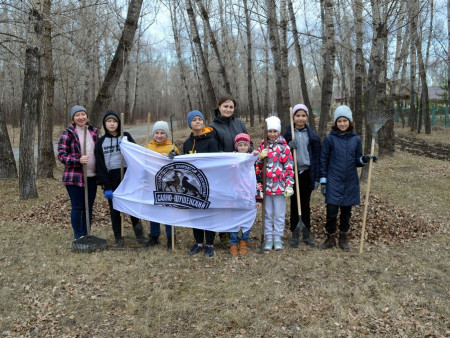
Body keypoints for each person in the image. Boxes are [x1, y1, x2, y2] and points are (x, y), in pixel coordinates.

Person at [319, 105, 377, 251]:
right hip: (333, 180)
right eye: (339, 121)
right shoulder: (329, 139)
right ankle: (330, 237)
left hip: (350, 181)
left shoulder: (356, 140)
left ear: (349, 121)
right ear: (335, 123)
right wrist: (324, 181)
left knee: (346, 213)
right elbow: (323, 161)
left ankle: (343, 238)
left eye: (345, 120)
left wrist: (365, 158)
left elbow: (357, 161)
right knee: (331, 211)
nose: (342, 123)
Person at [94, 110, 147, 247]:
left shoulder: (125, 136)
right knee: (115, 210)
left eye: (115, 121)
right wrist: (107, 186)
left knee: (132, 207)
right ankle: (118, 237)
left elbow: (135, 155)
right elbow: (100, 166)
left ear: (119, 123)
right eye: (109, 121)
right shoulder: (100, 142)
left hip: (128, 178)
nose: (112, 124)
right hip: (112, 180)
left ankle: (140, 235)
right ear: (105, 124)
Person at [211, 94, 250, 247]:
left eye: (231, 107)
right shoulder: (213, 126)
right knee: (225, 202)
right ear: (219, 107)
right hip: (224, 171)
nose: (228, 109)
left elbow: (248, 143)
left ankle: (240, 231)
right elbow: (214, 150)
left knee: (239, 200)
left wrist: (249, 153)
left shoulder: (239, 123)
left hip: (241, 172)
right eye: (225, 106)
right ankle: (225, 234)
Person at [58, 105, 99, 240]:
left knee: (89, 207)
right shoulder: (68, 134)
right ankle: (78, 235)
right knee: (78, 207)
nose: (81, 117)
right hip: (74, 178)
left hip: (92, 177)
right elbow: (61, 155)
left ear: (87, 116)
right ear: (73, 118)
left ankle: (87, 233)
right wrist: (77, 160)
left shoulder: (93, 132)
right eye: (77, 115)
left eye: (83, 114)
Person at [283, 104, 321, 247]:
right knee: (294, 204)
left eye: (303, 115)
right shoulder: (287, 134)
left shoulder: (313, 136)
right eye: (297, 115)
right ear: (293, 117)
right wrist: (287, 145)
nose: (300, 118)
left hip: (306, 173)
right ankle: (294, 232)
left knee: (305, 204)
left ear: (307, 117)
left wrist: (316, 177)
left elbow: (317, 159)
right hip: (292, 173)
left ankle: (306, 232)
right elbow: (281, 152)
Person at [183, 110, 219, 258]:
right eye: (194, 120)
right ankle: (199, 242)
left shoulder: (211, 140)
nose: (198, 121)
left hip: (208, 183)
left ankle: (210, 244)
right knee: (195, 212)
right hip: (192, 184)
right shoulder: (187, 143)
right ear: (190, 124)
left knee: (208, 212)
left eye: (200, 119)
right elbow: (183, 162)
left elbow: (217, 162)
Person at [256, 116, 294, 251]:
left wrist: (289, 185)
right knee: (267, 214)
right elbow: (256, 166)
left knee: (279, 214)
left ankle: (277, 238)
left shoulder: (284, 147)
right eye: (269, 131)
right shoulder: (262, 146)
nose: (272, 134)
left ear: (279, 132)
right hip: (266, 188)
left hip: (280, 187)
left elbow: (289, 167)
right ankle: (268, 238)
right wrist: (260, 157)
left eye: (274, 131)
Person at [146, 120, 180, 249]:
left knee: (168, 210)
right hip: (152, 183)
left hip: (167, 185)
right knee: (153, 210)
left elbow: (180, 164)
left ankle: (171, 236)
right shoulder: (148, 146)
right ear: (153, 134)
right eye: (157, 133)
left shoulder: (172, 147)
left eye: (162, 133)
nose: (159, 135)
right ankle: (154, 236)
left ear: (166, 134)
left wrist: (174, 156)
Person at [228, 133, 263, 256]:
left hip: (249, 196)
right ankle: (232, 242)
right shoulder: (231, 160)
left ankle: (244, 240)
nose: (242, 147)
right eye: (240, 145)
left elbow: (258, 180)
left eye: (245, 145)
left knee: (247, 218)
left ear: (249, 146)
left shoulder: (253, 161)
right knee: (234, 219)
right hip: (235, 196)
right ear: (236, 147)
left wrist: (258, 198)